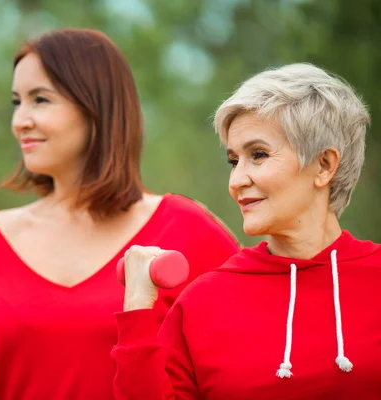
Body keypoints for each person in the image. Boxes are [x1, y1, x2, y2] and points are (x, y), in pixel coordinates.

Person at [0, 28, 240, 400]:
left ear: (96, 107)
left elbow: (249, 367)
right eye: (16, 102)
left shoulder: (186, 230)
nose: (19, 120)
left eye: (40, 100)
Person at [111, 62, 381, 399]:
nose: (237, 181)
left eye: (258, 154)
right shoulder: (201, 304)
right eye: (233, 160)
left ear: (324, 165)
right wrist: (137, 308)